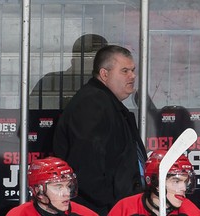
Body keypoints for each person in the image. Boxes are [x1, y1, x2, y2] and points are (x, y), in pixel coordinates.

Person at [53, 45, 147, 215]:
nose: (132, 76)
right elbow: (87, 167)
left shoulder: (106, 102)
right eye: (124, 71)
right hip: (101, 209)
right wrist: (112, 207)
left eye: (133, 70)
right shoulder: (93, 103)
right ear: (104, 74)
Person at [108, 150, 200, 216]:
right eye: (176, 181)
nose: (183, 188)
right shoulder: (125, 208)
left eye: (185, 181)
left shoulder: (189, 211)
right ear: (155, 182)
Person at [6, 156, 98, 216]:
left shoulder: (85, 214)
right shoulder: (19, 214)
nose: (67, 193)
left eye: (68, 186)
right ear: (39, 191)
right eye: (59, 187)